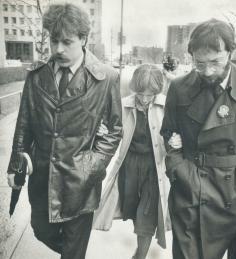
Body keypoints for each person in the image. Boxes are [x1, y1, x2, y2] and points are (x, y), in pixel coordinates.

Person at [6, 4, 122, 259]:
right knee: (41, 231)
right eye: (54, 40)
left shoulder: (106, 78)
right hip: (42, 178)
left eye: (66, 41)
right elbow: (24, 123)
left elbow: (114, 130)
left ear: (83, 39)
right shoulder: (36, 76)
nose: (58, 48)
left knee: (72, 250)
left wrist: (90, 167)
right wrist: (16, 166)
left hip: (80, 184)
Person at [160, 18, 236, 259]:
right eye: (200, 63)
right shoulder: (179, 87)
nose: (208, 71)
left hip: (232, 190)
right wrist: (177, 167)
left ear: (230, 52)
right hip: (189, 184)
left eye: (215, 62)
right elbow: (168, 131)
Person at [93, 64, 171, 259]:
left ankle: (140, 256)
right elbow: (109, 131)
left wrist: (176, 140)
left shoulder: (168, 106)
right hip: (129, 167)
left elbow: (179, 132)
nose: (144, 99)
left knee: (147, 213)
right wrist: (101, 132)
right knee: (135, 210)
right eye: (140, 94)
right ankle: (140, 248)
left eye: (150, 94)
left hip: (155, 168)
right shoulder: (122, 104)